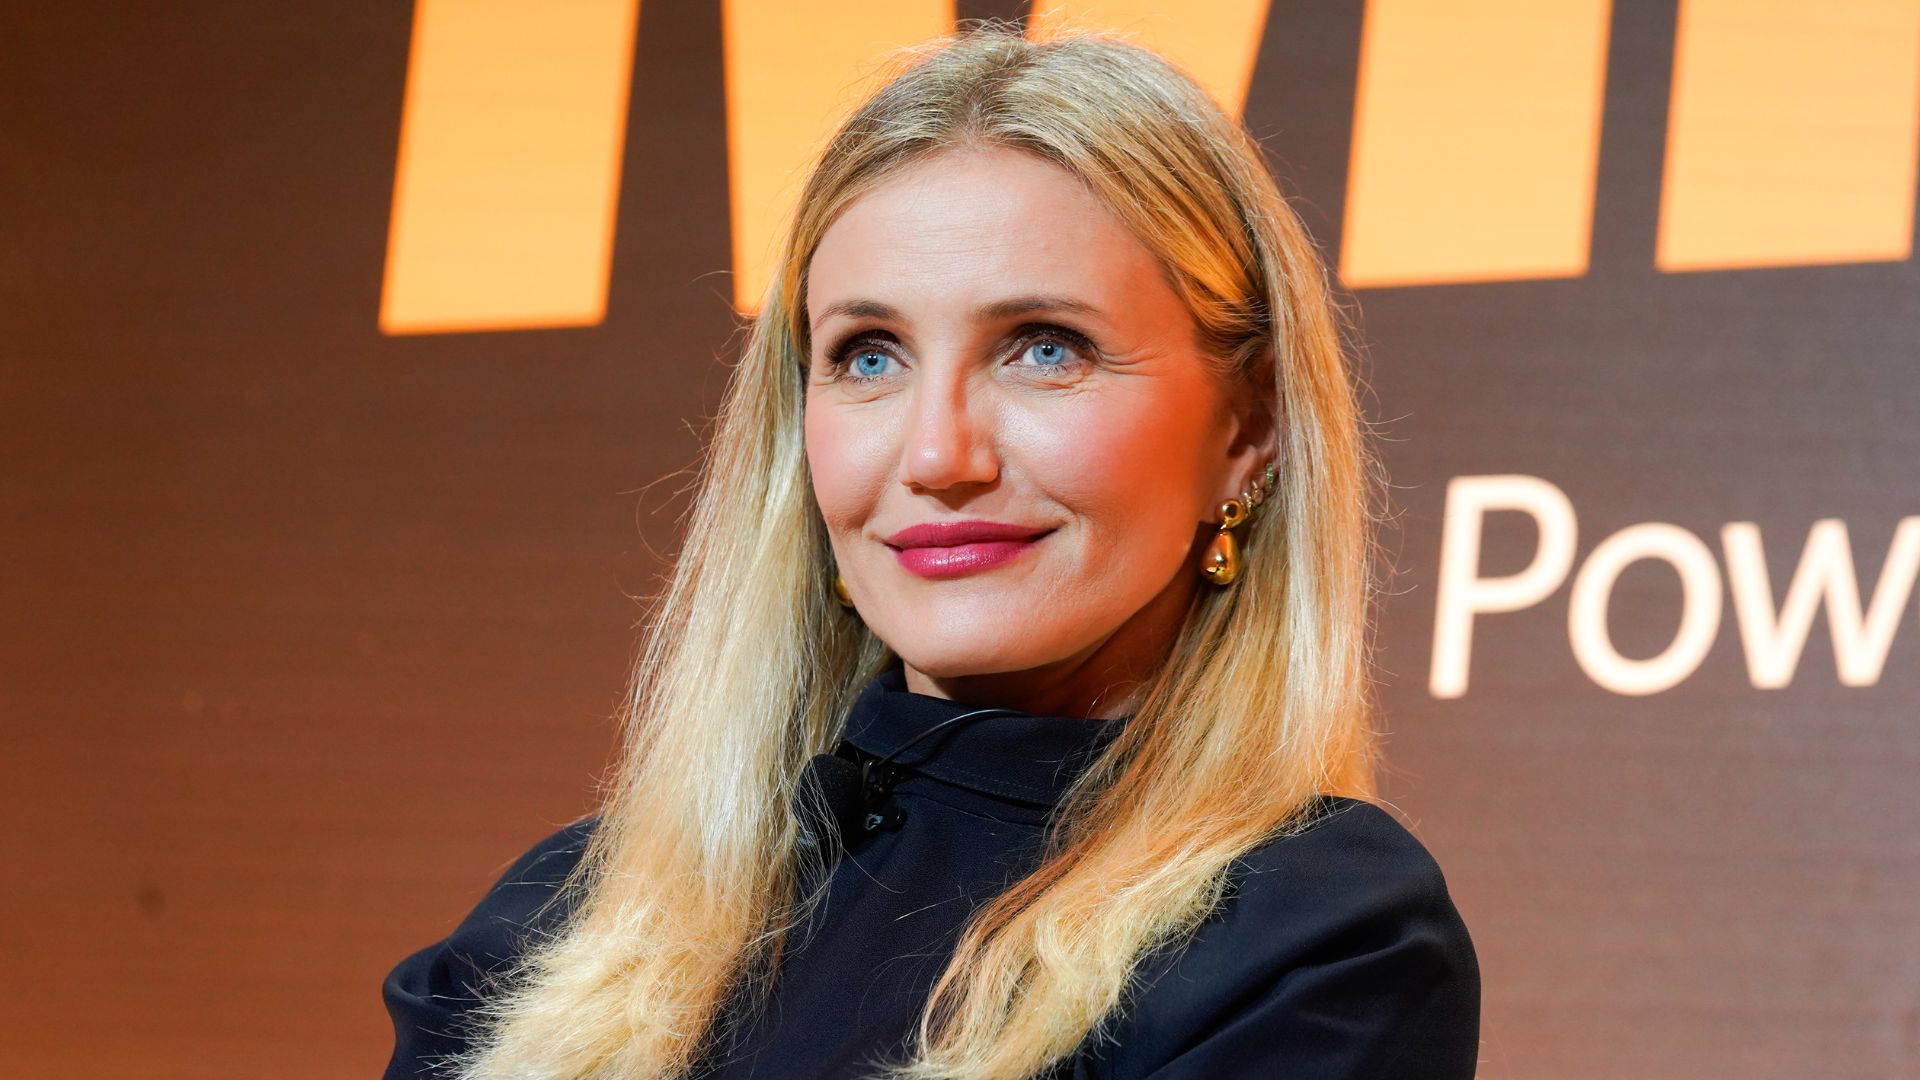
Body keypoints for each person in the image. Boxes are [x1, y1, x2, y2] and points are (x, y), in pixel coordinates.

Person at [382, 22, 1479, 1080]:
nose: (938, 455)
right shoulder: (566, 923)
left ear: (1248, 427)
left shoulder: (1311, 940)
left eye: (1045, 349)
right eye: (868, 357)